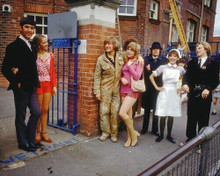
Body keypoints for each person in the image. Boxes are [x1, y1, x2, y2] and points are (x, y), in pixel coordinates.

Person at [1, 17, 41, 151]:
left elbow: (30, 67)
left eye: (31, 28)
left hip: (32, 86)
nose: (29, 30)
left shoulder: (32, 46)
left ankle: (31, 139)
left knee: (36, 112)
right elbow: (5, 68)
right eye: (27, 27)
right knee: (21, 115)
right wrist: (15, 81)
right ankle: (23, 143)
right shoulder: (13, 46)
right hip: (21, 87)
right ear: (21, 28)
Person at [182, 41, 219, 143]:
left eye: (199, 48)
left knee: (203, 119)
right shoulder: (192, 63)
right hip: (193, 94)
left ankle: (201, 142)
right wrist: (185, 84)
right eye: (196, 48)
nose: (196, 50)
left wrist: (208, 88)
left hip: (204, 95)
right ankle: (190, 139)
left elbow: (215, 80)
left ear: (206, 49)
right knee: (191, 118)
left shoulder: (213, 64)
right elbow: (187, 76)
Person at [149, 49, 186, 143]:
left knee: (171, 115)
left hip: (174, 93)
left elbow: (186, 80)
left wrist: (181, 89)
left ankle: (169, 135)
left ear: (178, 58)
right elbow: (151, 76)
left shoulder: (181, 69)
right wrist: (157, 87)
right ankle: (161, 135)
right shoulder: (163, 67)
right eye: (171, 55)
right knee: (163, 114)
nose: (172, 57)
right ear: (168, 57)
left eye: (175, 56)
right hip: (164, 92)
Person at [93, 37, 123, 143]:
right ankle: (105, 132)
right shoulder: (101, 59)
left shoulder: (121, 56)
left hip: (117, 89)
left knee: (115, 112)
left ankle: (114, 133)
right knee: (104, 112)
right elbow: (97, 76)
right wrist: (97, 92)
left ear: (114, 45)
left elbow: (133, 58)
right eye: (106, 44)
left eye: (109, 44)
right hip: (105, 89)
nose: (107, 46)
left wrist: (140, 59)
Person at [32, 34, 57, 143]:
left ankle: (44, 132)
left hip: (48, 84)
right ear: (38, 45)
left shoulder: (50, 56)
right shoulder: (33, 55)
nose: (47, 44)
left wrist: (54, 86)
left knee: (45, 109)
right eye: (44, 42)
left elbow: (52, 72)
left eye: (46, 42)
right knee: (38, 110)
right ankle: (37, 132)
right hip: (38, 84)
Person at [119, 41, 144, 147]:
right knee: (128, 115)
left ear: (135, 52)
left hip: (132, 91)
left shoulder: (138, 62)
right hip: (123, 90)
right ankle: (130, 138)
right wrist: (121, 79)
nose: (129, 51)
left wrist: (129, 66)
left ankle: (133, 134)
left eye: (132, 50)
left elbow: (137, 76)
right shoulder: (125, 60)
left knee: (122, 113)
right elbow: (121, 73)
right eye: (128, 49)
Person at [141, 42, 167, 136]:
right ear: (151, 50)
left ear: (160, 50)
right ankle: (144, 128)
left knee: (156, 109)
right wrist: (147, 70)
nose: (155, 50)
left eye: (157, 49)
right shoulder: (146, 59)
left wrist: (150, 69)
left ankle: (154, 129)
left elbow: (164, 72)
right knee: (147, 109)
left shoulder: (164, 60)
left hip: (158, 87)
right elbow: (142, 72)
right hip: (148, 87)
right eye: (154, 49)